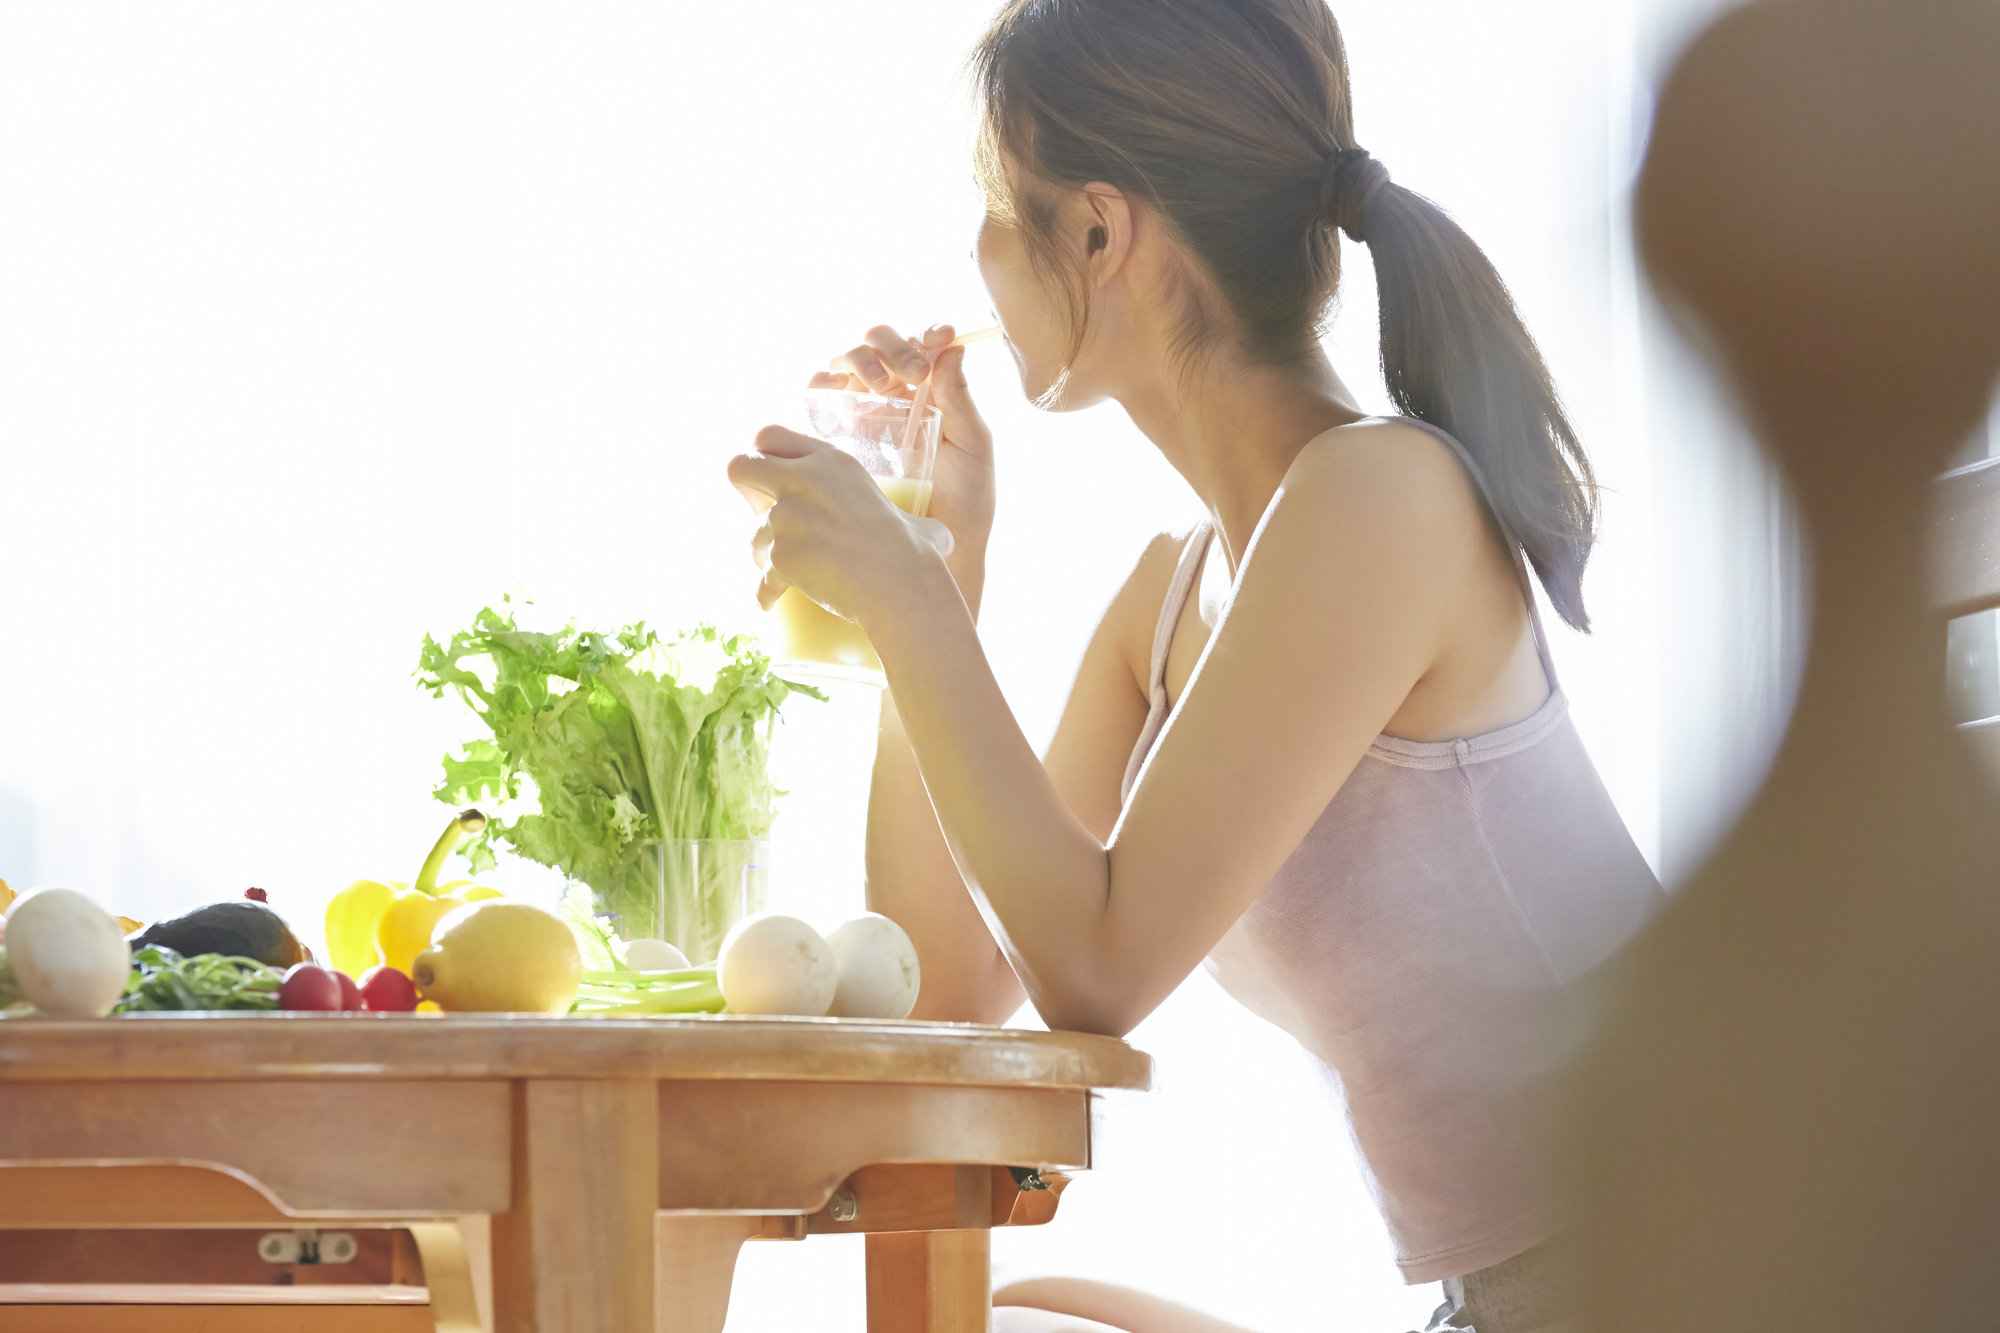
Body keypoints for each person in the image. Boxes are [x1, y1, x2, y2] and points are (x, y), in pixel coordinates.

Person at [728, 1, 1661, 1329]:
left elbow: (1100, 968)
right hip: (1508, 1298)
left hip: (1693, 1261)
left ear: (1100, 233)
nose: (978, 252)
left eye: (998, 202)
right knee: (1037, 1301)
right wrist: (936, 584)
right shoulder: (1170, 600)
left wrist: (905, 598)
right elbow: (946, 986)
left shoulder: (1381, 498)